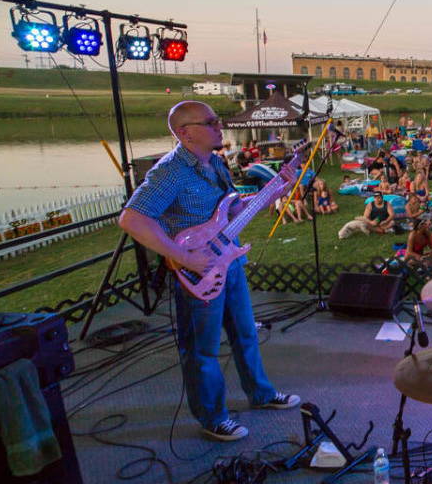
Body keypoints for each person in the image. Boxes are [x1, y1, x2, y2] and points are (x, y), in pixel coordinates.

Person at [118, 101, 299, 442]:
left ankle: (260, 394)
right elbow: (132, 219)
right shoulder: (169, 172)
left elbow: (231, 212)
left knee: (245, 334)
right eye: (211, 122)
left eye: (218, 120)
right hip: (197, 272)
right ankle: (213, 417)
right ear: (185, 133)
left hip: (228, 262)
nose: (220, 126)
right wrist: (182, 258)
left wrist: (275, 190)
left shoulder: (215, 162)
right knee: (202, 349)